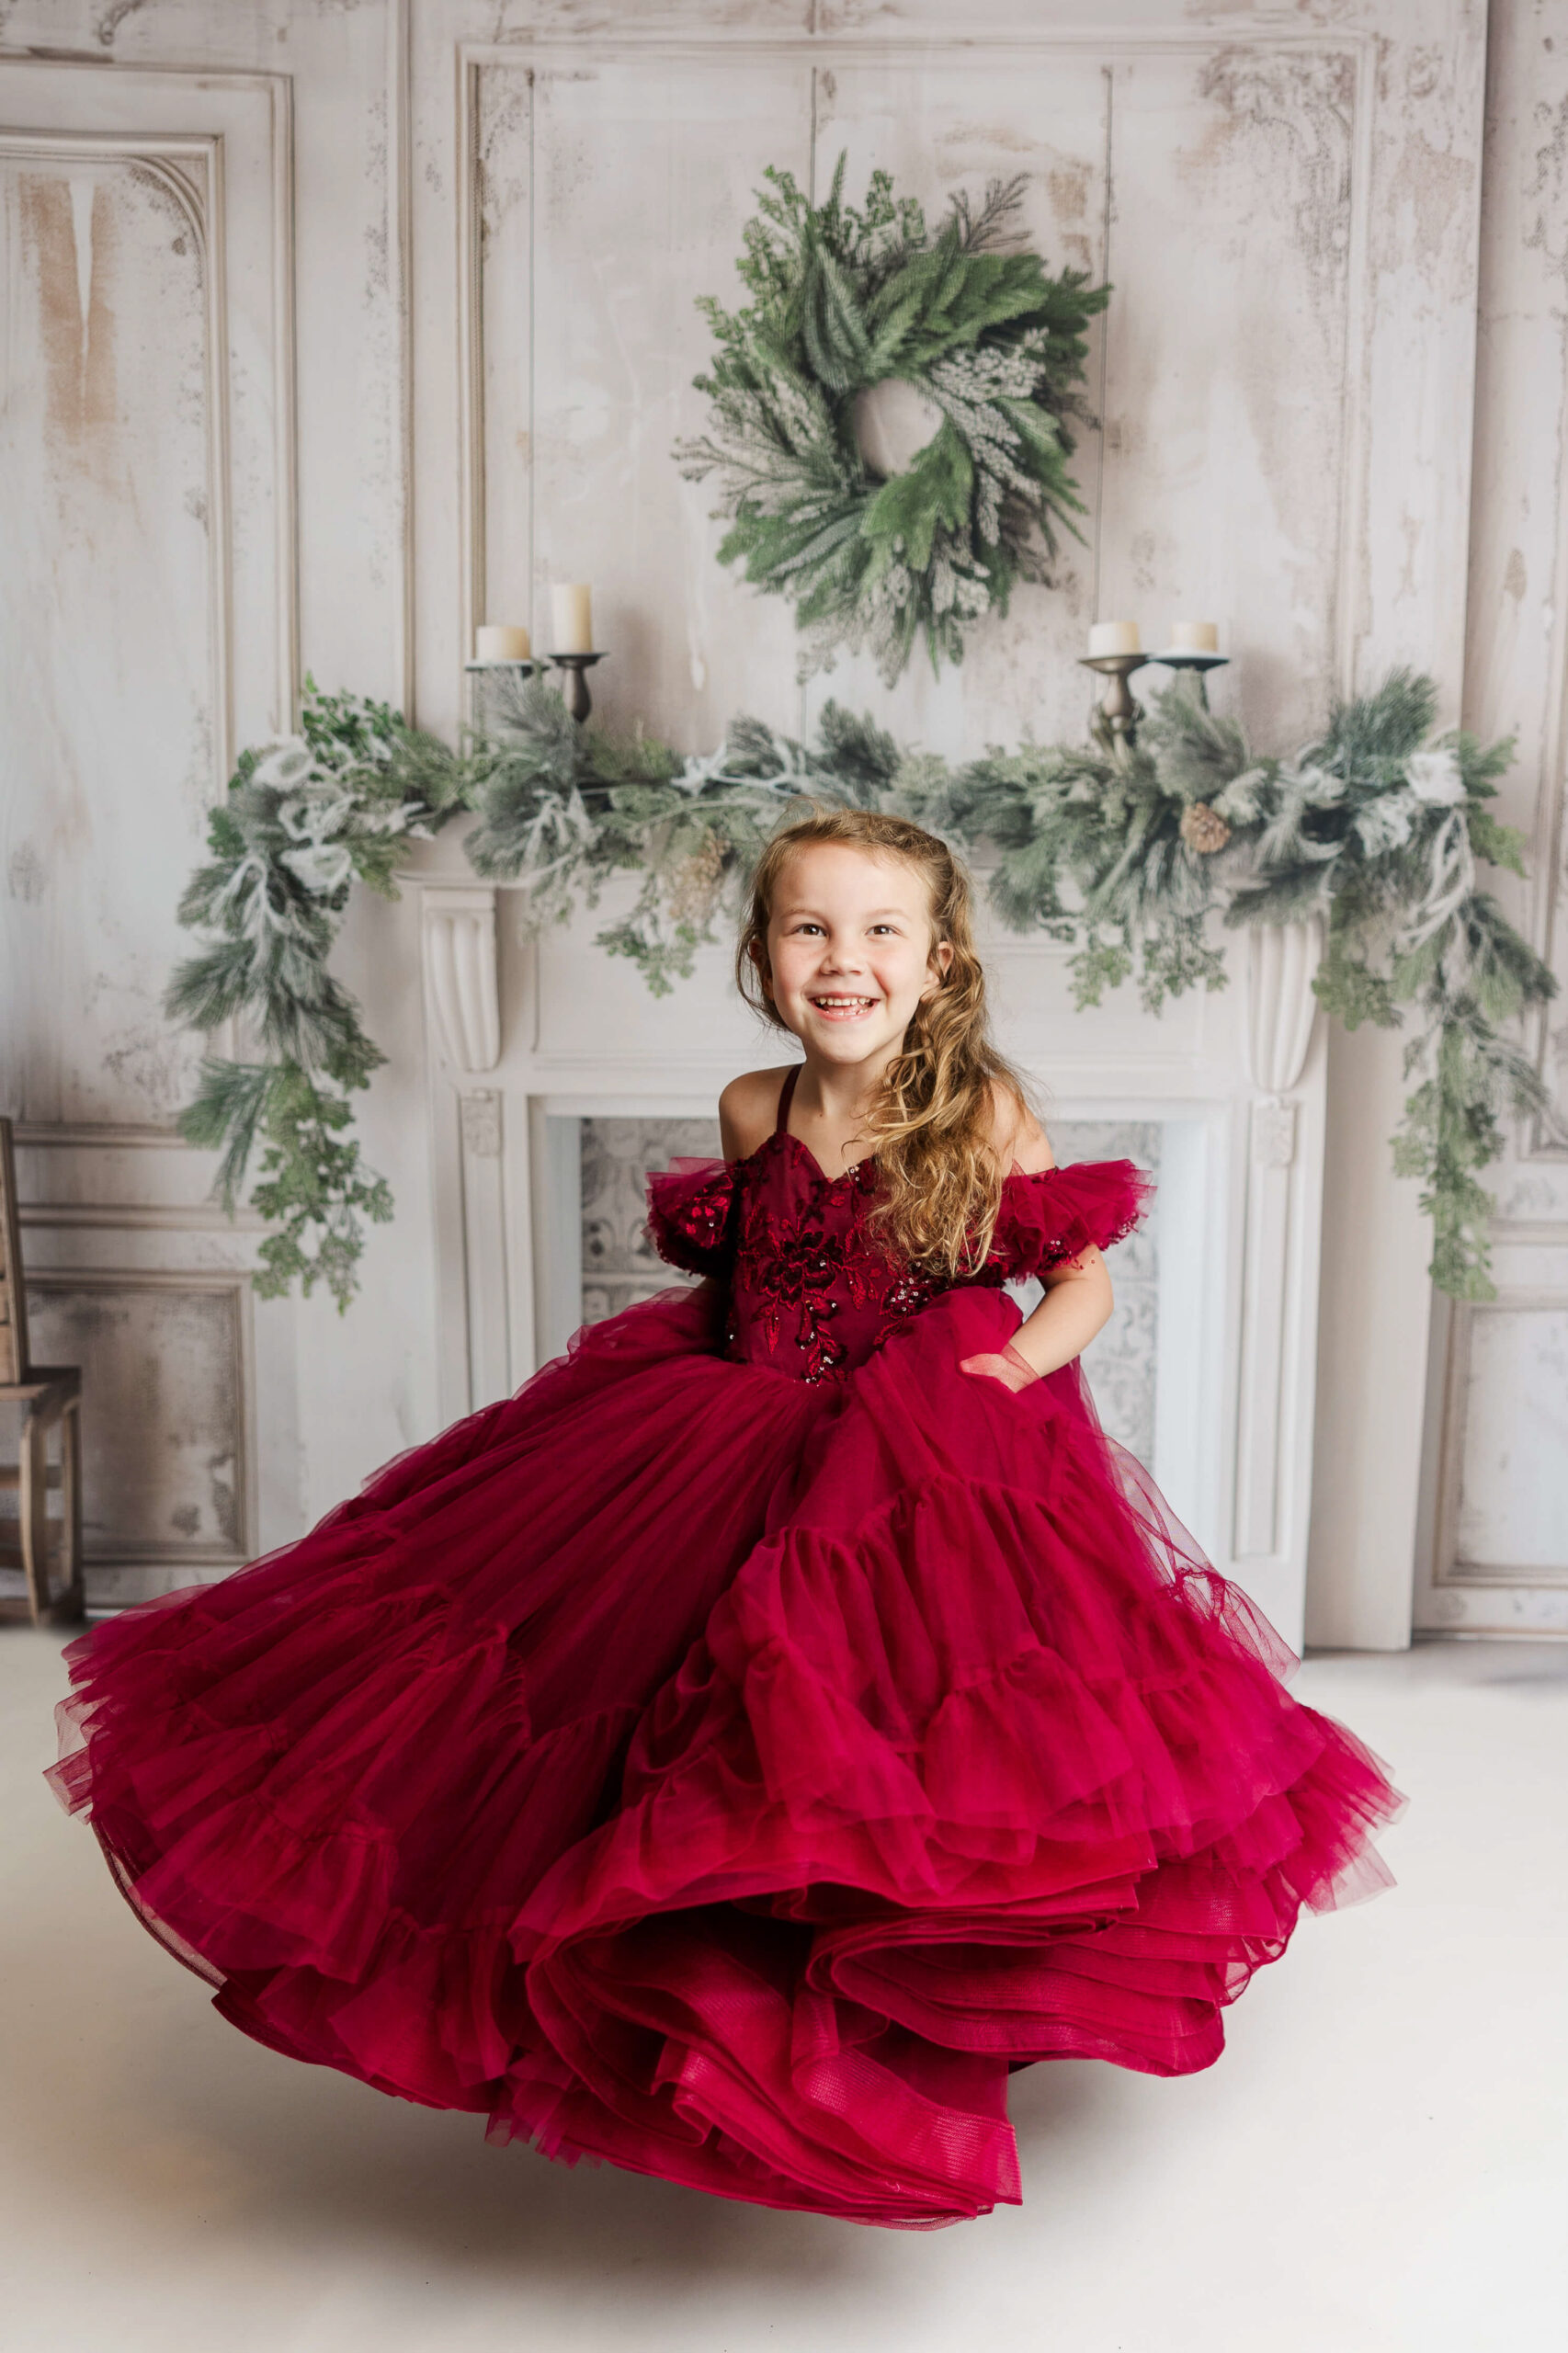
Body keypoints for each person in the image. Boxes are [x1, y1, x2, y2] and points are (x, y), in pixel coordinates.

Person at [46, 807, 1403, 2229]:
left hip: (909, 1439)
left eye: (879, 933)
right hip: (722, 1414)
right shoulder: (753, 1108)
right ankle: (682, 1989)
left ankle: (855, 2003)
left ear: (936, 963)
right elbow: (750, 1264)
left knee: (857, 1707)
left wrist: (1008, 1366)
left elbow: (1081, 1287)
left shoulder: (978, 1111)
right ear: (763, 953)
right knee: (638, 1688)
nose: (843, 959)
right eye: (809, 927)